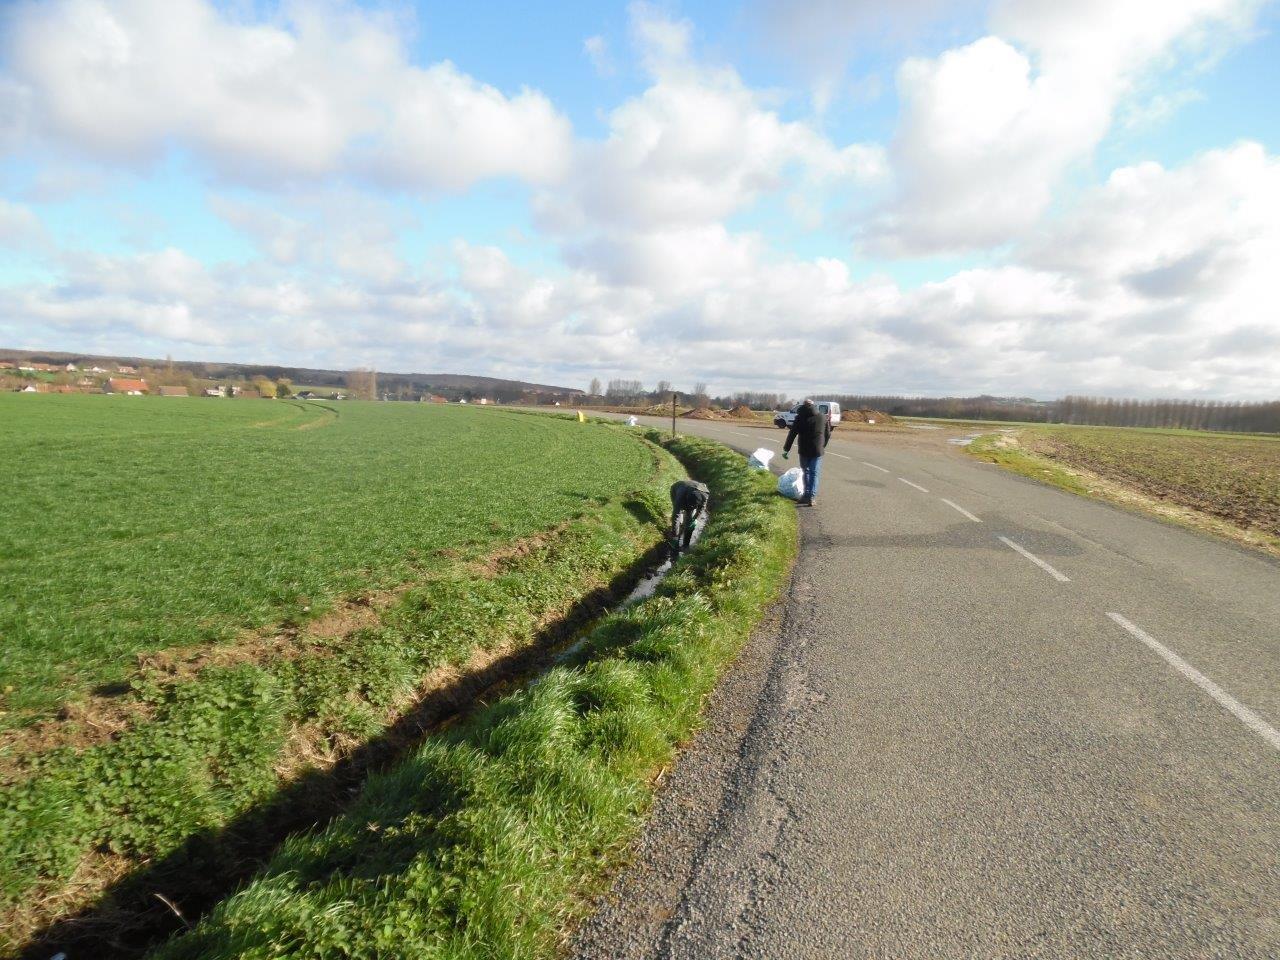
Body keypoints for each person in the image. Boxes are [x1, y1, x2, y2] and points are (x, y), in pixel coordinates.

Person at [782, 399, 831, 506]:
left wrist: (786, 449)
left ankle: (806, 495)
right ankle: (812, 497)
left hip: (804, 449)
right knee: (814, 473)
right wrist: (823, 446)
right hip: (817, 450)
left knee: (806, 472)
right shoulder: (822, 417)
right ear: (814, 406)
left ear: (803, 406)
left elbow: (792, 434)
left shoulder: (799, 417)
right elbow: (827, 434)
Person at [669, 479, 710, 552]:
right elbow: (676, 515)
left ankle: (686, 545)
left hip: (692, 492)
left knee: (690, 519)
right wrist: (674, 536)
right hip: (677, 489)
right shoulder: (680, 496)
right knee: (678, 516)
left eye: (693, 506)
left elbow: (701, 509)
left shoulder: (705, 495)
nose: (691, 508)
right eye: (690, 506)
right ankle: (676, 536)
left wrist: (695, 519)